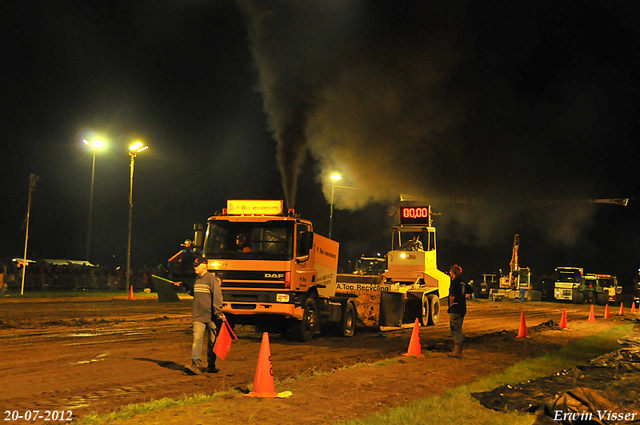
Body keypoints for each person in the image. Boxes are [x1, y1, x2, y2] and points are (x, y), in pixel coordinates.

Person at [186, 258, 225, 374]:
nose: (195, 267)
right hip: (198, 316)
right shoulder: (197, 279)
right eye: (194, 265)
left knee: (212, 342)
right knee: (197, 339)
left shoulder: (212, 279)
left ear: (205, 266)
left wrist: (217, 314)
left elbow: (217, 298)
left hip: (211, 317)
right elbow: (195, 293)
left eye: (197, 265)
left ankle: (211, 365)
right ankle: (196, 363)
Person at [447, 264, 474, 359]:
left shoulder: (455, 281)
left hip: (456, 308)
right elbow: (470, 291)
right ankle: (457, 350)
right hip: (462, 307)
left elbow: (452, 295)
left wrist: (451, 304)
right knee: (459, 327)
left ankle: (458, 351)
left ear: (452, 272)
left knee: (455, 328)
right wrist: (462, 298)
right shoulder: (464, 280)